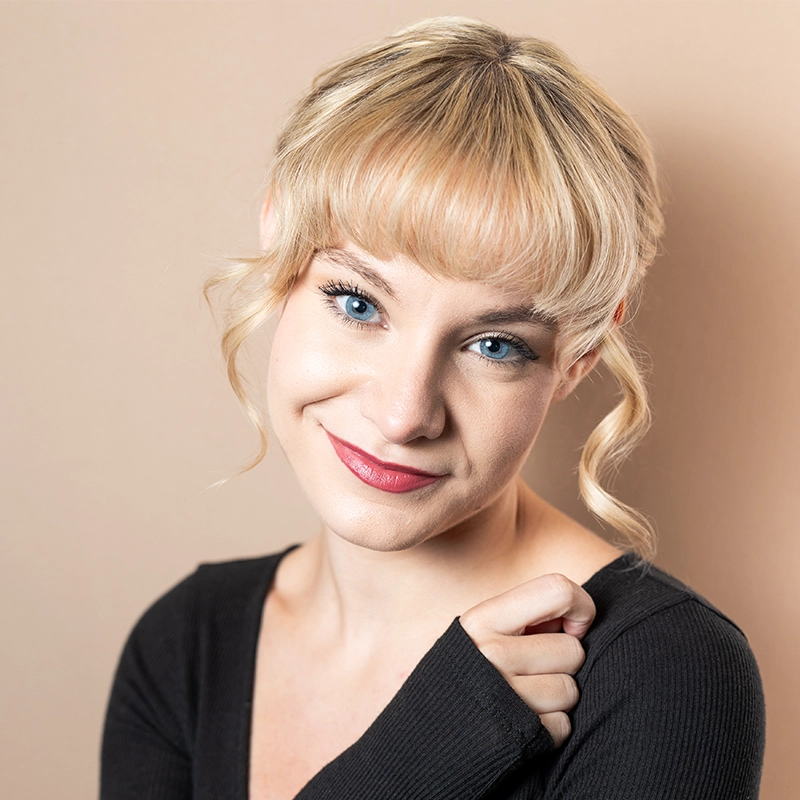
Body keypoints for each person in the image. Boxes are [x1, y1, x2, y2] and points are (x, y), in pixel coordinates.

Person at [101, 17, 765, 800]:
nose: (403, 413)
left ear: (579, 354)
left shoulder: (669, 674)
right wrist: (415, 759)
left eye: (493, 345)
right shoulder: (187, 643)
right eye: (356, 302)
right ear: (280, 243)